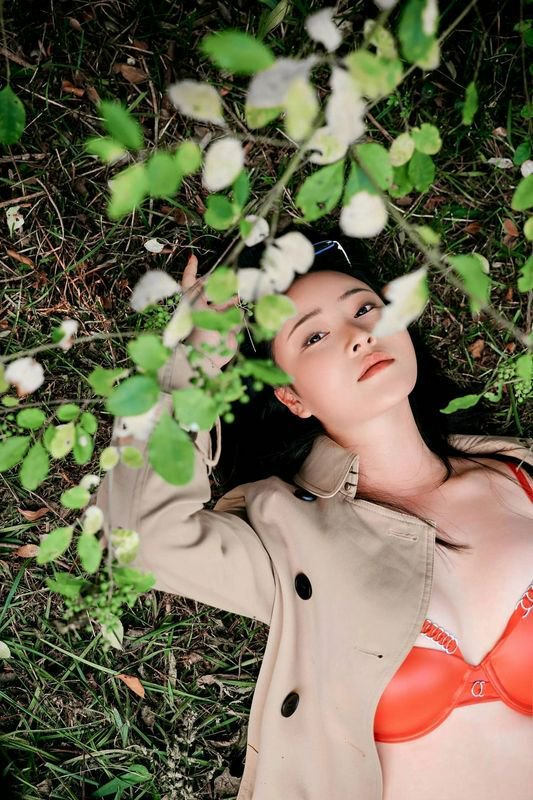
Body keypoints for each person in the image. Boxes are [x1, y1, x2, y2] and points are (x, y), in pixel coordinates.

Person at [96, 230, 533, 800]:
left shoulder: (520, 477)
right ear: (292, 398)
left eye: (365, 309)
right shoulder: (293, 536)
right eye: (315, 336)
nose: (359, 335)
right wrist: (190, 364)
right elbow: (141, 537)